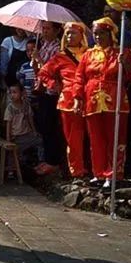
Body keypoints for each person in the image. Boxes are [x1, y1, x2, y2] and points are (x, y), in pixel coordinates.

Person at [74, 17, 131, 185]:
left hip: (116, 101)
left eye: (102, 33)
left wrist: (125, 65)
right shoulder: (88, 55)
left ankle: (113, 174)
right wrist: (77, 99)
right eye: (95, 34)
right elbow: (79, 78)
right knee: (95, 139)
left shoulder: (122, 53)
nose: (98, 37)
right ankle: (98, 173)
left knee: (116, 138)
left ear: (110, 34)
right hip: (92, 101)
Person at [37, 22, 90, 179]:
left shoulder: (91, 54)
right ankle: (76, 171)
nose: (69, 36)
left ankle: (93, 169)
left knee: (92, 137)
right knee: (73, 137)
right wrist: (55, 85)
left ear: (82, 36)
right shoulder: (59, 57)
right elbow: (43, 73)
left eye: (73, 33)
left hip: (91, 100)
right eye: (67, 33)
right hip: (68, 101)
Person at [31, 21, 64, 175]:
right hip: (41, 88)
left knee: (50, 126)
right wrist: (35, 63)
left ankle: (54, 161)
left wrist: (39, 60)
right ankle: (46, 159)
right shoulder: (43, 45)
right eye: (43, 28)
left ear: (57, 30)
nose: (44, 31)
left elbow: (52, 71)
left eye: (48, 28)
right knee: (43, 125)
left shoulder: (58, 48)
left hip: (52, 90)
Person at [3, 83, 43, 172]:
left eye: (14, 92)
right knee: (13, 153)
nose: (12, 95)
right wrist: (8, 139)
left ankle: (41, 162)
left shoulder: (26, 105)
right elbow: (8, 124)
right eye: (10, 93)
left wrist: (34, 131)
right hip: (16, 136)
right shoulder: (10, 108)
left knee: (40, 141)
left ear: (21, 93)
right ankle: (12, 169)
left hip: (27, 134)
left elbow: (30, 118)